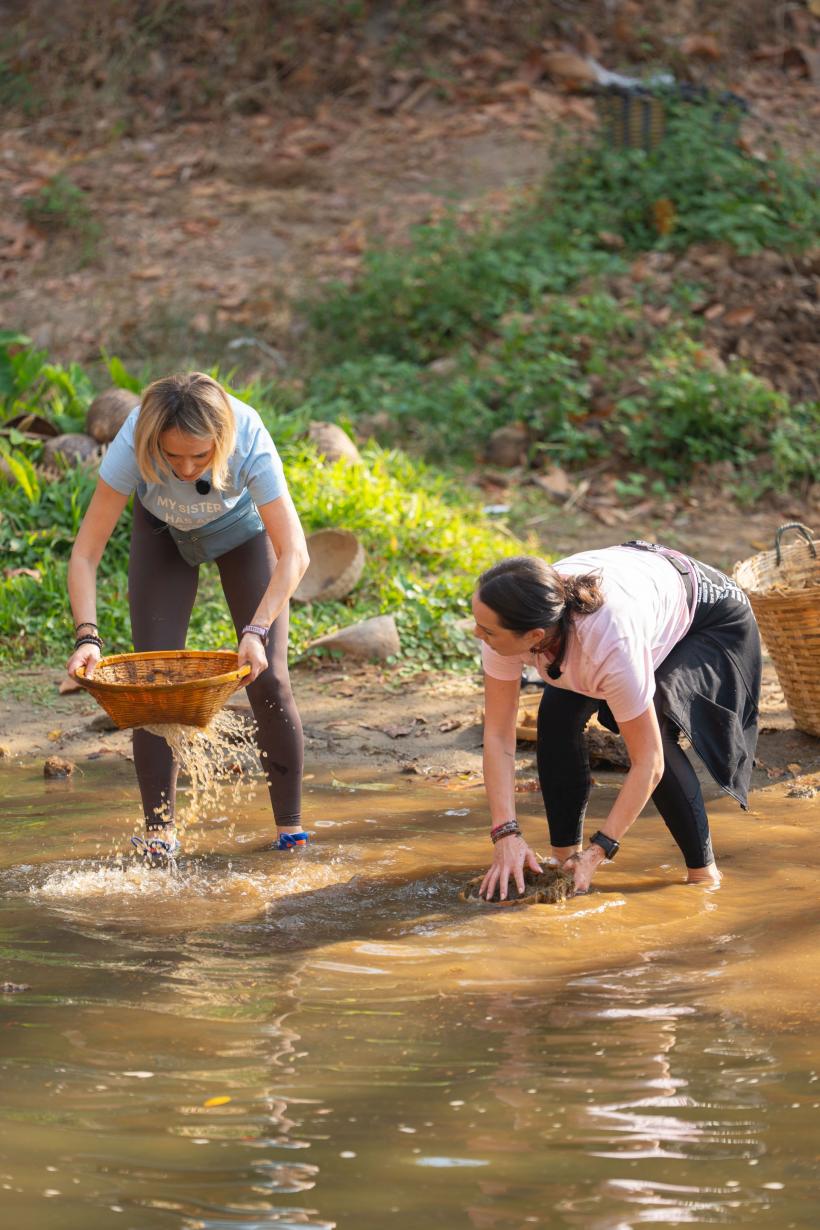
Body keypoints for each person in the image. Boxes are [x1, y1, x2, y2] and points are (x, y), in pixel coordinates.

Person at [66, 372, 310, 866]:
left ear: (221, 440)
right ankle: (159, 836)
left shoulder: (249, 437)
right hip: (162, 534)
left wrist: (256, 630)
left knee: (269, 680)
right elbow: (85, 556)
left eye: (199, 456)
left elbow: (295, 553)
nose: (184, 467)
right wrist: (87, 636)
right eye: (172, 455)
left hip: (241, 533)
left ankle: (290, 831)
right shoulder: (133, 440)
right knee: (151, 687)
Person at [472, 542, 761, 899]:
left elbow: (649, 762)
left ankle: (703, 878)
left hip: (709, 616)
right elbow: (498, 734)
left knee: (656, 725)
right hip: (630, 598)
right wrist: (506, 834)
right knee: (556, 715)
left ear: (533, 636)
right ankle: (564, 866)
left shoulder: (609, 642)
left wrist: (600, 850)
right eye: (478, 625)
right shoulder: (507, 622)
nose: (477, 635)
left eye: (486, 631)